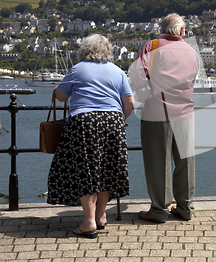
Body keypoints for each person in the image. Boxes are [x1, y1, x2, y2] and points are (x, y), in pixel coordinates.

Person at [47, 34, 135, 239]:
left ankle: (88, 222)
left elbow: (60, 96)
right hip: (113, 120)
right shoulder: (117, 71)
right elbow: (129, 102)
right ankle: (101, 216)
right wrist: (119, 119)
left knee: (86, 169)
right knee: (106, 169)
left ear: (85, 50)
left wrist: (56, 88)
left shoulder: (78, 69)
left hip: (84, 122)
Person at [129, 13, 199, 222]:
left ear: (163, 28)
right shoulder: (191, 51)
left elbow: (136, 77)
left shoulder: (153, 46)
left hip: (156, 112)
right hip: (186, 113)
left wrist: (145, 93)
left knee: (158, 162)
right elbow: (193, 79)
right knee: (186, 161)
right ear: (181, 31)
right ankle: (185, 208)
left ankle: (159, 210)